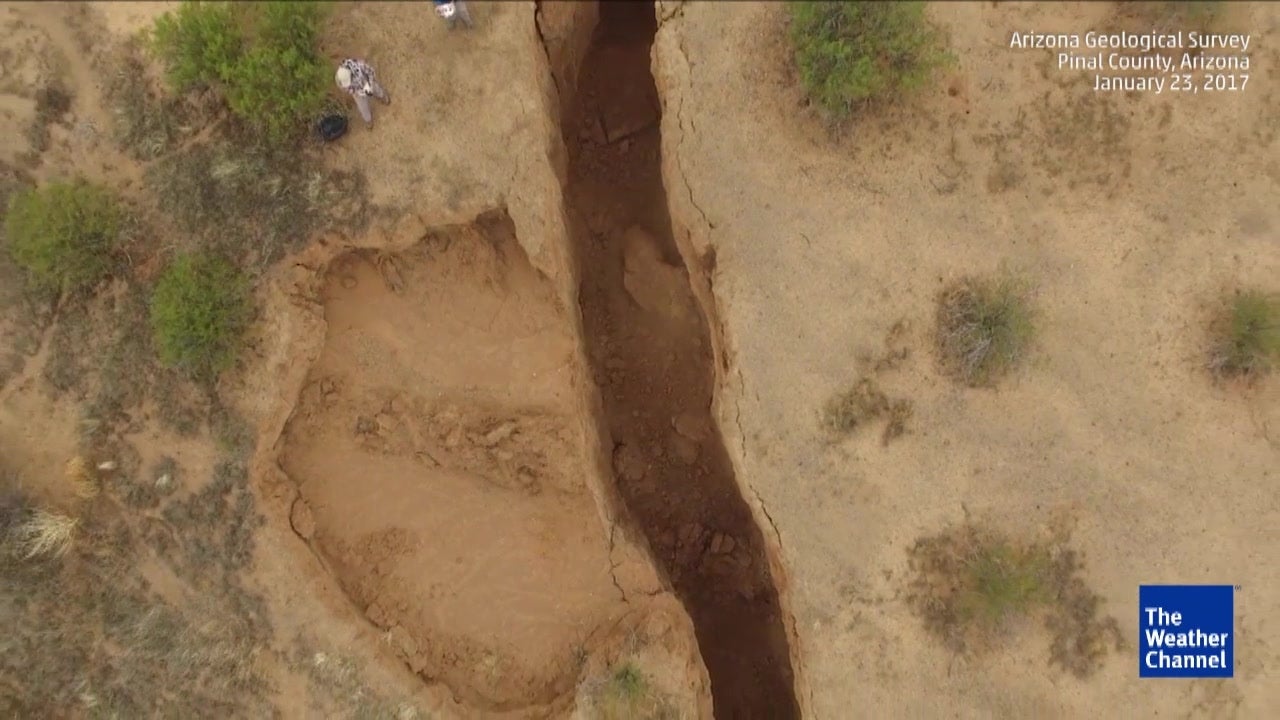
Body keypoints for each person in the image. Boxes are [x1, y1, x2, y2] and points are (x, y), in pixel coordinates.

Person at [335, 58, 391, 128]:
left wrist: (370, 84)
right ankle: (368, 121)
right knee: (362, 107)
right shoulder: (339, 78)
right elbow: (345, 89)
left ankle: (383, 97)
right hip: (356, 92)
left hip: (366, 82)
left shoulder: (360, 66)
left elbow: (371, 72)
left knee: (376, 89)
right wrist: (356, 92)